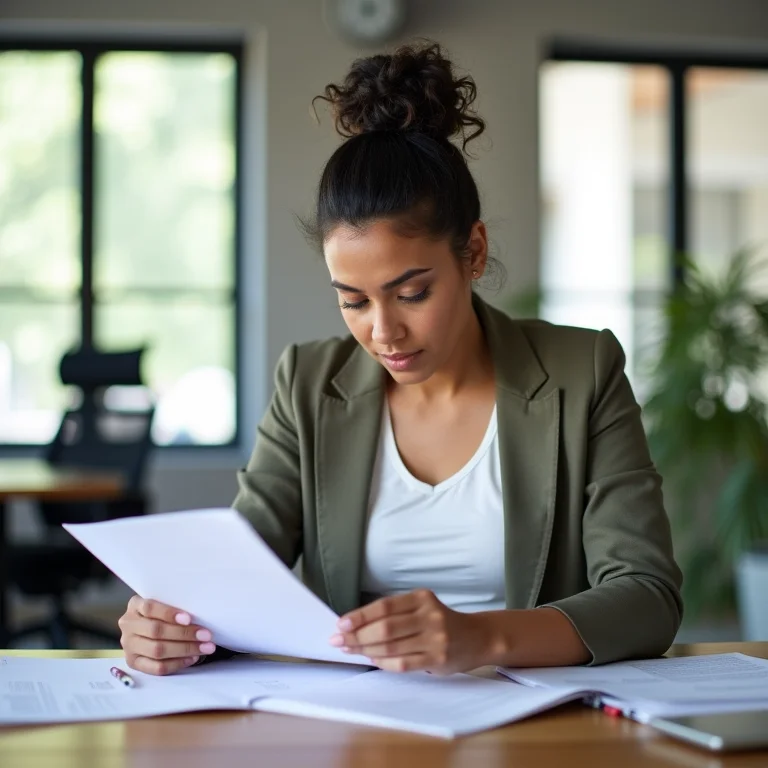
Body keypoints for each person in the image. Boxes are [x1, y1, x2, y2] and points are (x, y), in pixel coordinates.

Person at [118, 42, 682, 676]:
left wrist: (481, 639)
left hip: (532, 717)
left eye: (412, 293)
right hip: (358, 717)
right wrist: (171, 625)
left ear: (472, 252)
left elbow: (647, 596)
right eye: (353, 301)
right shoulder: (308, 383)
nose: (384, 331)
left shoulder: (581, 371)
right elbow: (238, 574)